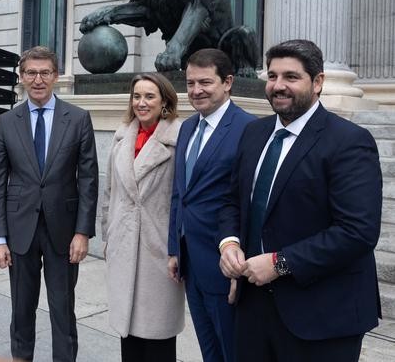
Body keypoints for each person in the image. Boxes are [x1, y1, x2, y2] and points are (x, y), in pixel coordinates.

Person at [218, 39, 382, 362]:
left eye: (291, 77)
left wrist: (279, 263)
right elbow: (232, 201)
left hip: (322, 316)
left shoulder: (349, 142)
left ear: (317, 82)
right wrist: (229, 243)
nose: (279, 86)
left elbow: (358, 232)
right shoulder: (253, 133)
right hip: (253, 309)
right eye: (273, 76)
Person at [0, 45, 99, 362]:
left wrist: (83, 233)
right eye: (31, 73)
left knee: (63, 312)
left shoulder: (77, 119)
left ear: (56, 76)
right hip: (19, 231)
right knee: (21, 311)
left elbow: (89, 180)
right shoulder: (6, 122)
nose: (38, 79)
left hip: (64, 233)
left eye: (45, 73)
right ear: (22, 77)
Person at [167, 49, 255, 362]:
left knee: (233, 351)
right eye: (190, 83)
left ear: (228, 82)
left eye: (205, 82)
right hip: (191, 262)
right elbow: (180, 194)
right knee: (209, 351)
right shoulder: (188, 127)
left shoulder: (249, 129)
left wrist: (240, 267)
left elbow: (249, 203)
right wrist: (174, 249)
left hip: (224, 264)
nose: (196, 90)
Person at [102, 72, 184, 361]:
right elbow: (109, 193)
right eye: (136, 96)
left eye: (149, 96)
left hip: (158, 250)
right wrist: (108, 238)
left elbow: (182, 199)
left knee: (158, 337)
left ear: (164, 100)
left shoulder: (179, 139)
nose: (141, 102)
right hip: (123, 246)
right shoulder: (122, 135)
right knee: (129, 338)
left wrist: (176, 249)